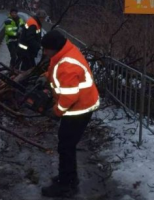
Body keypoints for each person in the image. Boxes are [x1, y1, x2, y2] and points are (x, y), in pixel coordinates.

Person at [39, 30, 100, 198]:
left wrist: (56, 111)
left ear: (54, 48)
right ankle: (69, 178)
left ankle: (66, 186)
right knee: (67, 144)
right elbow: (55, 69)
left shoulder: (67, 65)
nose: (44, 52)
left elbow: (69, 96)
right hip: (80, 104)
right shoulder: (64, 51)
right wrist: (46, 76)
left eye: (46, 49)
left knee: (66, 146)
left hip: (79, 109)